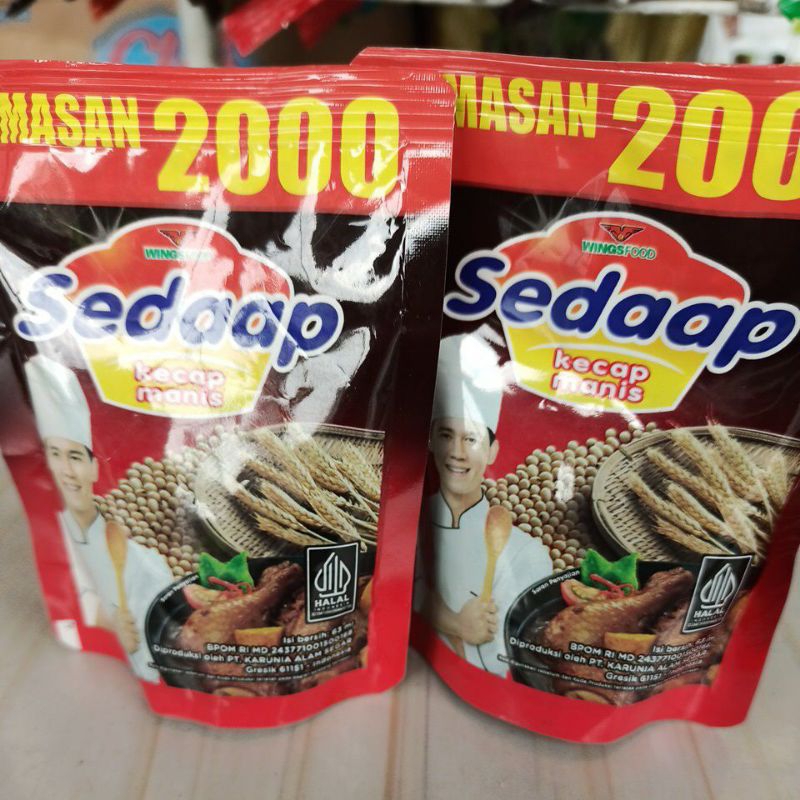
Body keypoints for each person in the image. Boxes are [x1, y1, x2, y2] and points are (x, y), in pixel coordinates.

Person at [25, 355, 173, 683]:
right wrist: (102, 620)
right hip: (81, 674)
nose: (66, 470)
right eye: (54, 454)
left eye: (75, 456)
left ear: (94, 468)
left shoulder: (143, 561)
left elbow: (163, 638)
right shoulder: (58, 538)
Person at [422, 333, 552, 677]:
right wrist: (454, 622)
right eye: (446, 435)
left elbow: (519, 648)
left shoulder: (527, 553)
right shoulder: (407, 524)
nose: (457, 453)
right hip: (416, 679)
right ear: (431, 441)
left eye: (471, 439)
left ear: (492, 452)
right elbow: (387, 593)